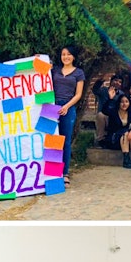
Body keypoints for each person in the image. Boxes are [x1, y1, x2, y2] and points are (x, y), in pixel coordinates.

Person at [51, 45, 85, 185]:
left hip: (68, 107)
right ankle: (53, 172)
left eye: (69, 54)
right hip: (53, 107)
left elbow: (78, 94)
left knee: (65, 141)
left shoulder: (79, 73)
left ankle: (64, 172)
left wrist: (66, 106)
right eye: (63, 54)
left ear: (73, 57)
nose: (66, 57)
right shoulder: (56, 70)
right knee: (52, 140)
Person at [105, 93, 131, 169]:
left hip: (126, 140)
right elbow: (104, 110)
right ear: (119, 103)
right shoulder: (114, 112)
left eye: (126, 101)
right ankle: (126, 160)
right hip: (114, 139)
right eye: (122, 102)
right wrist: (110, 99)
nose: (124, 104)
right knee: (125, 133)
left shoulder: (130, 112)